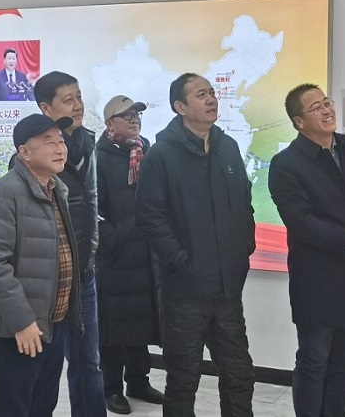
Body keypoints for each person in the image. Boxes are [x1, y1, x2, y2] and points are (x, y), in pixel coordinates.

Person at [135, 73, 256, 417]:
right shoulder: (161, 155)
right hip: (184, 292)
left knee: (239, 374)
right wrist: (180, 262)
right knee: (183, 379)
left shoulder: (228, 148)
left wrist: (243, 248)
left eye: (212, 92)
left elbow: (244, 204)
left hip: (227, 290)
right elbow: (150, 217)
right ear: (180, 107)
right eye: (201, 94)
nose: (211, 99)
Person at [267, 83, 345, 416]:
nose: (326, 110)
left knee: (344, 364)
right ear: (298, 122)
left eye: (327, 103)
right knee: (314, 362)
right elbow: (299, 220)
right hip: (318, 282)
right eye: (316, 107)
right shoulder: (286, 163)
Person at [0, 113, 81, 416]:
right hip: (20, 329)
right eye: (49, 142)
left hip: (53, 323)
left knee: (42, 406)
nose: (60, 148)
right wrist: (22, 322)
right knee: (14, 407)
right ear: (25, 152)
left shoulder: (56, 189)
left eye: (61, 141)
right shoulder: (5, 194)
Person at [34, 72, 106, 416]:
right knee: (44, 369)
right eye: (68, 100)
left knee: (88, 362)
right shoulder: (33, 154)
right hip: (49, 281)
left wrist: (93, 252)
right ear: (46, 108)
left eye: (79, 97)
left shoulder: (88, 142)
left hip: (84, 274)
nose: (78, 106)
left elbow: (93, 201)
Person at [96, 95, 163, 414]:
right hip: (116, 258)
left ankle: (138, 381)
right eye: (127, 115)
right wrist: (115, 238)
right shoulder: (98, 156)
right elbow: (94, 208)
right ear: (110, 123)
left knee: (141, 322)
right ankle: (110, 388)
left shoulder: (145, 150)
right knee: (114, 326)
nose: (135, 119)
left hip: (146, 254)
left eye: (137, 114)